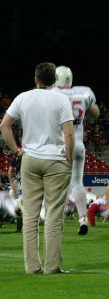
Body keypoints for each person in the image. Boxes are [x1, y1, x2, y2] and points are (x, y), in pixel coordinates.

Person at [0, 62, 74, 274]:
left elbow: (4, 125)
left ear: (36, 79)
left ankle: (32, 267)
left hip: (30, 159)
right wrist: (68, 160)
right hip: (55, 160)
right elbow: (68, 133)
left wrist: (16, 150)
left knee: (30, 215)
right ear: (54, 80)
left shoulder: (23, 97)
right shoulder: (61, 99)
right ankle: (52, 266)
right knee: (53, 215)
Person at [54, 65, 100, 235]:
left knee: (56, 183)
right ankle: (82, 218)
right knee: (77, 182)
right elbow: (96, 113)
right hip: (79, 144)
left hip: (60, 145)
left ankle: (56, 220)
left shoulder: (52, 94)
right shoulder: (84, 92)